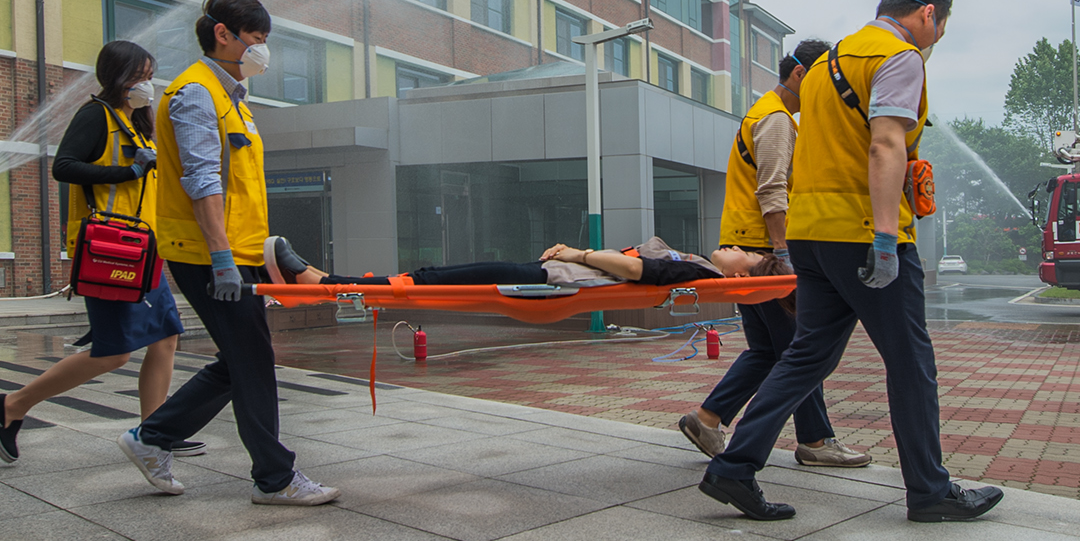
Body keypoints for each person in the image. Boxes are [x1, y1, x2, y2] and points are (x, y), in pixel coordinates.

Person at [699, 0, 1004, 523]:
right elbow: (885, 144)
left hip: (811, 235)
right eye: (942, 26)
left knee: (807, 354)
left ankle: (734, 468)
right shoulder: (899, 56)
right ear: (930, 13)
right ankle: (930, 492)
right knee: (912, 362)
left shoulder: (827, 64)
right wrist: (886, 238)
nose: (938, 38)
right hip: (864, 233)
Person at [116, 0, 338, 506]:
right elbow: (202, 180)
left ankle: (152, 437)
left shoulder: (233, 98)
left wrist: (251, 250)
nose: (261, 52)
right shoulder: (196, 93)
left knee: (242, 357)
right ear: (224, 34)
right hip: (205, 253)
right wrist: (220, 258)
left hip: (236, 251)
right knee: (253, 357)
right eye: (256, 41)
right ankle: (274, 478)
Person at [0, 42, 193, 465]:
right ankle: (11, 406)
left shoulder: (134, 122)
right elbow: (65, 166)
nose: (147, 85)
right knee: (113, 353)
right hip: (110, 252)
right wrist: (129, 169)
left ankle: (153, 432)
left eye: (150, 75)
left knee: (166, 338)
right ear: (116, 76)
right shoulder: (96, 115)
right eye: (139, 76)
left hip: (143, 251)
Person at [679, 39, 869, 470]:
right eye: (823, 79)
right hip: (762, 251)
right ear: (801, 74)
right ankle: (816, 441)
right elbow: (772, 190)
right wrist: (785, 254)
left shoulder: (766, 112)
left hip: (747, 245)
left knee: (769, 349)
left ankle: (708, 419)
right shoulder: (777, 120)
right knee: (802, 350)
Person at [280, 239, 779, 288]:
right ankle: (330, 279)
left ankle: (325, 281)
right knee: (444, 276)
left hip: (554, 279)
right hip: (557, 272)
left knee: (441, 278)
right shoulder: (697, 264)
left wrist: (577, 254)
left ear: (739, 273)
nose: (737, 246)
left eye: (748, 253)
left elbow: (634, 271)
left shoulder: (699, 272)